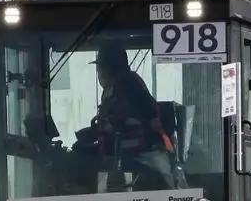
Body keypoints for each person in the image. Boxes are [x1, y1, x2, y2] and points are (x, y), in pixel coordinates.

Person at [73, 47, 176, 190]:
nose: (99, 74)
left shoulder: (130, 85)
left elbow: (149, 116)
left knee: (165, 186)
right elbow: (110, 121)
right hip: (114, 151)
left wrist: (122, 124)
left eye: (101, 68)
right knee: (78, 154)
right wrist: (96, 131)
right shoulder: (110, 89)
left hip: (142, 152)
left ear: (111, 68)